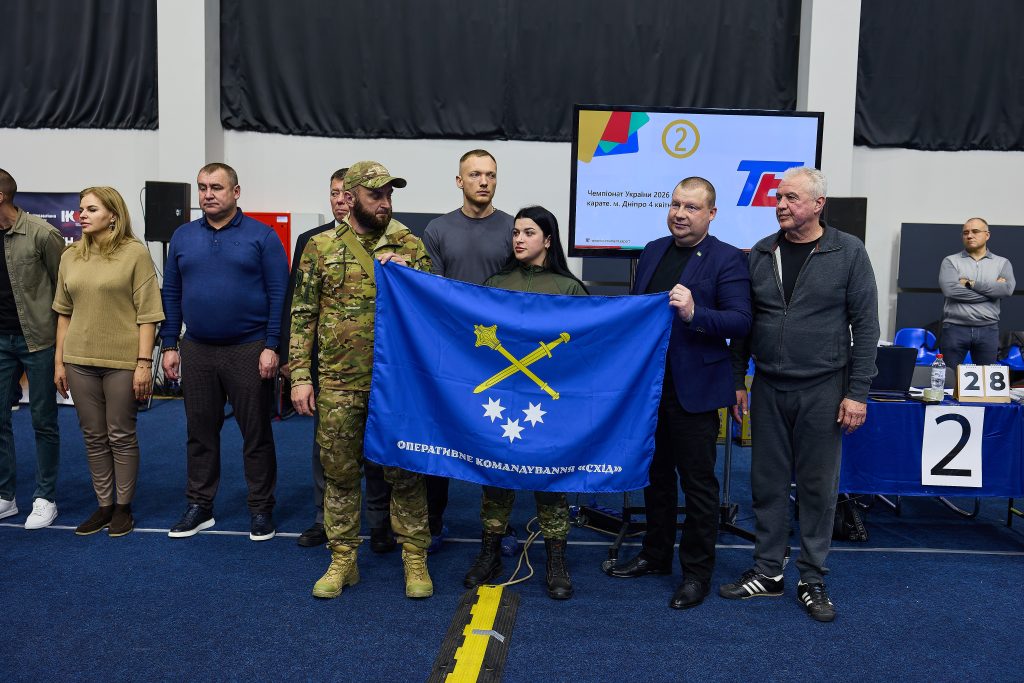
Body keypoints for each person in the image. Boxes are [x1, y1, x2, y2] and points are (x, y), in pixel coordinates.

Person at [723, 167, 879, 623]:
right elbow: (745, 324)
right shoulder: (761, 252)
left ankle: (812, 578)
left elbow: (866, 327)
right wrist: (737, 379)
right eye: (778, 197)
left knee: (816, 489)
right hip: (769, 385)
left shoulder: (848, 251)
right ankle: (768, 571)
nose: (781, 205)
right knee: (766, 484)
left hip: (824, 388)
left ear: (818, 204)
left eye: (791, 197)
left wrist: (857, 393)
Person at [290, 161, 433, 599]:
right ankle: (343, 559)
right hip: (338, 381)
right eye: (376, 195)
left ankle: (415, 558)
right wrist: (300, 376)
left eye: (389, 194)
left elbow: (435, 307)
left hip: (396, 384)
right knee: (339, 472)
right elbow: (303, 314)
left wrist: (410, 274)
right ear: (350, 198)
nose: (385, 203)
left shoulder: (410, 244)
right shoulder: (319, 247)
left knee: (405, 472)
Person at [606, 177, 751, 610]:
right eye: (675, 205)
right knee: (656, 477)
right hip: (651, 388)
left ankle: (696, 573)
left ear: (711, 213)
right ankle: (655, 555)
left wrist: (694, 313)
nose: (680, 214)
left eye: (691, 207)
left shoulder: (727, 258)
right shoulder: (652, 250)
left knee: (698, 485)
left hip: (696, 391)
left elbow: (741, 321)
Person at [462, 205, 586, 600]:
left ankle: (556, 560)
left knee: (550, 477)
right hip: (501, 400)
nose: (519, 239)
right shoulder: (496, 282)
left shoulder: (568, 289)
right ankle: (489, 553)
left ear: (547, 240)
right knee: (496, 475)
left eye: (529, 232)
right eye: (516, 232)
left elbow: (585, 348)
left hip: (548, 402)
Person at [160, 163, 288, 542]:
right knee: (199, 433)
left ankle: (261, 509)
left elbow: (279, 294)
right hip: (197, 349)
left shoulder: (262, 236)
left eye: (216, 187)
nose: (208, 194)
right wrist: (170, 343)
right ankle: (200, 506)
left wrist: (272, 346)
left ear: (236, 192)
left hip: (249, 349)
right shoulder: (183, 236)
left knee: (256, 434)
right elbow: (171, 292)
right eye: (202, 187)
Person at [53, 187, 164, 537]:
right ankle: (104, 506)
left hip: (122, 360)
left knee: (121, 434)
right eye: (80, 209)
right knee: (93, 436)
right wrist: (59, 362)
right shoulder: (71, 255)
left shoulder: (135, 254)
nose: (81, 215)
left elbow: (149, 315)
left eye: (91, 209)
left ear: (113, 215)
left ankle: (122, 508)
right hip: (78, 359)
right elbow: (63, 313)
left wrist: (144, 363)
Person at [421, 149, 513, 552]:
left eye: (490, 174)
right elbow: (433, 291)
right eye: (475, 174)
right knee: (440, 437)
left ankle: (499, 527)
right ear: (459, 181)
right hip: (451, 353)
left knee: (498, 441)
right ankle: (433, 521)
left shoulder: (513, 228)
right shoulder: (437, 230)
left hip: (499, 355)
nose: (484, 181)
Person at [0, 168, 64, 530]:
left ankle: (45, 497)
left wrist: (63, 347)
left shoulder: (42, 234)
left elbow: (64, 291)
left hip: (38, 340)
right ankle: (5, 497)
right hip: (0, 342)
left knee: (43, 420)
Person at [938, 218, 1016, 369]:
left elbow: (1007, 289)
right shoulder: (950, 261)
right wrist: (992, 293)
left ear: (987, 235)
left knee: (985, 379)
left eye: (975, 231)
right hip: (954, 329)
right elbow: (951, 290)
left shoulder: (1002, 263)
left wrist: (970, 284)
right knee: (948, 378)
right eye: (965, 232)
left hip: (988, 330)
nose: (969, 235)